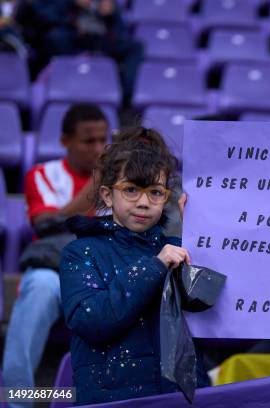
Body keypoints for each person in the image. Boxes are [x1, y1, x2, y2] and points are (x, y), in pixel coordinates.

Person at [59, 127, 208, 405]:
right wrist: (155, 266)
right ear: (106, 195)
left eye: (155, 192)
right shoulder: (80, 253)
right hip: (110, 399)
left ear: (166, 198)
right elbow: (91, 320)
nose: (143, 202)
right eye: (130, 190)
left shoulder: (177, 248)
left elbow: (210, 302)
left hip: (177, 396)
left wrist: (200, 233)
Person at [1, 103, 108, 408]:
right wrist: (97, 184)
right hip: (53, 269)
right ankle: (17, 401)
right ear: (64, 141)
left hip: (101, 270)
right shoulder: (42, 174)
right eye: (89, 141)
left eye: (103, 141)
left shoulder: (122, 182)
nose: (98, 149)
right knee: (39, 288)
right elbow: (46, 224)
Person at [32, 0, 143, 106]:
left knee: (135, 47)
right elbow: (42, 16)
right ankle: (60, 89)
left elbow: (120, 30)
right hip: (69, 33)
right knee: (56, 38)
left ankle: (124, 98)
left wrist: (110, 15)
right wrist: (72, 3)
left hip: (98, 37)